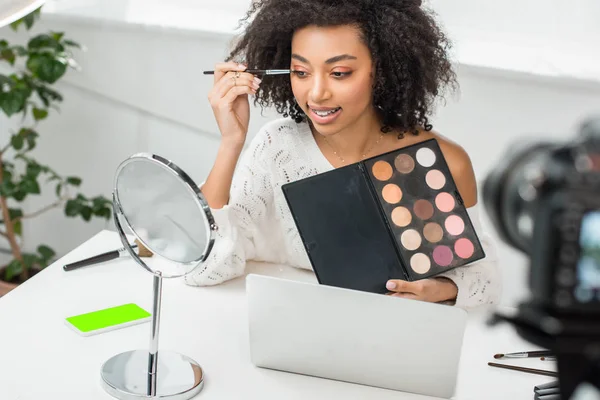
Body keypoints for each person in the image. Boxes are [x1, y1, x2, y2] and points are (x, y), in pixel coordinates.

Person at [185, 0, 501, 308]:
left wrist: (442, 289)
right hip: (294, 320)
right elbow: (201, 265)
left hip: (396, 335)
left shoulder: (442, 162)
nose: (317, 93)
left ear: (382, 69)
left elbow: (484, 279)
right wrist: (231, 140)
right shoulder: (276, 148)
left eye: (339, 73)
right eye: (300, 71)